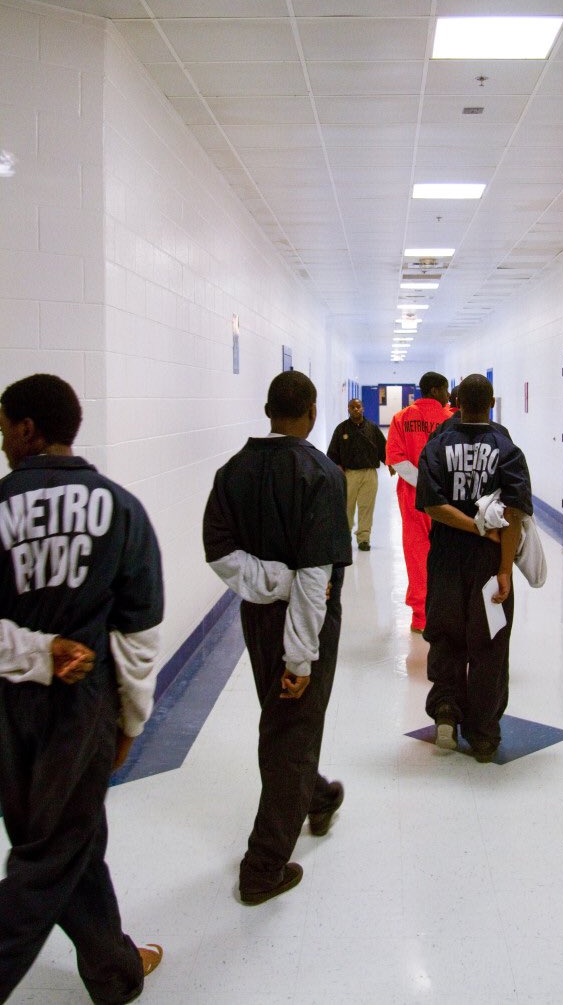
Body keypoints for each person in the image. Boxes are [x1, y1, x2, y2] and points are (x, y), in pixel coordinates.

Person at [0, 374, 164, 1004]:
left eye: (4, 429)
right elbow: (139, 634)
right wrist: (131, 722)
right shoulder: (120, 509)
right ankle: (112, 967)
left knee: (63, 838)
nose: (3, 442)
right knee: (50, 856)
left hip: (10, 709)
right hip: (82, 709)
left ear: (28, 429)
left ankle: (113, 968)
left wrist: (32, 652)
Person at [203, 371, 351, 906]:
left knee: (285, 719)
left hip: (258, 619)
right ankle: (263, 867)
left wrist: (269, 582)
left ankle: (317, 796)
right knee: (291, 726)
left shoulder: (231, 472)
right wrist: (301, 658)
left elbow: (220, 554)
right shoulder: (321, 474)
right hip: (307, 623)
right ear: (312, 412)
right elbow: (314, 579)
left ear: (268, 411)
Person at [415, 374, 533, 763]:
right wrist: (504, 569)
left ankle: (446, 712)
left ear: (456, 402)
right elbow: (513, 514)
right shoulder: (506, 447)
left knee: (446, 636)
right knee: (490, 643)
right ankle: (483, 734)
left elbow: (432, 505)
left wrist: (470, 525)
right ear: (491, 403)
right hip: (489, 565)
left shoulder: (438, 445)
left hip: (446, 561)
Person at [385, 372, 453, 633]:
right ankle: (446, 612)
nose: (448, 395)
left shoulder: (401, 418)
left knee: (417, 554)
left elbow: (396, 458)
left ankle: (421, 618)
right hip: (447, 499)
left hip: (413, 498)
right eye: (445, 389)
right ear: (435, 390)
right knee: (448, 554)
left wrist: (423, 484)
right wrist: (436, 485)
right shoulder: (451, 420)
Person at [327, 398, 387, 551]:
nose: (355, 409)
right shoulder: (341, 429)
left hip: (369, 474)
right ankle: (344, 537)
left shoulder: (372, 428)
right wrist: (338, 468)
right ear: (348, 409)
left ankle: (364, 539)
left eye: (358, 406)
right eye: (352, 407)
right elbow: (332, 453)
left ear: (363, 408)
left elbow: (383, 448)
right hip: (349, 474)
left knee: (366, 507)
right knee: (347, 507)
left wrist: (391, 464)